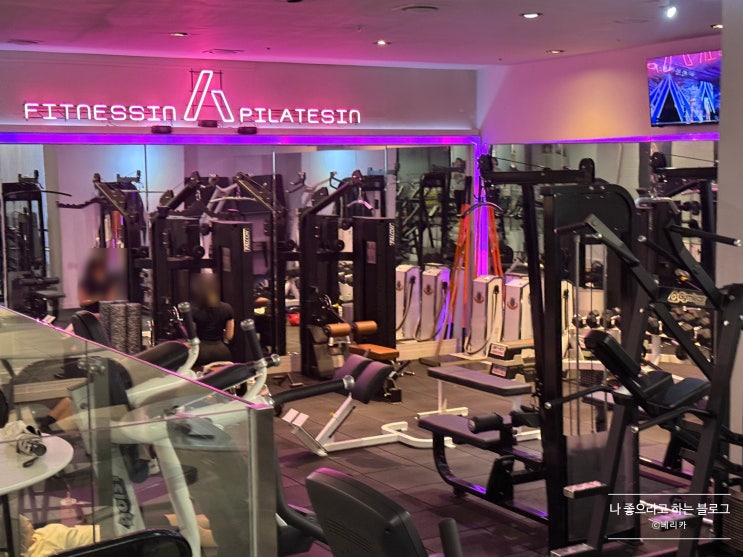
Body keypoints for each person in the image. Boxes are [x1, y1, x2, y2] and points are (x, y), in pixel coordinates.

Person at [191, 274, 235, 366]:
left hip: (201, 352)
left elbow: (191, 335)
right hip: (222, 352)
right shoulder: (227, 308)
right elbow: (229, 336)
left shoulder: (194, 310)